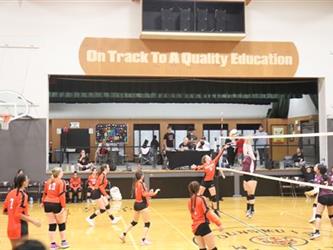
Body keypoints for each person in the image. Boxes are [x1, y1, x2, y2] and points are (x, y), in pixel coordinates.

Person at [119, 170, 160, 246]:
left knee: (134, 222)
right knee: (147, 223)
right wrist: (154, 193)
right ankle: (143, 240)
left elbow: (141, 193)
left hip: (136, 203)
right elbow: (144, 194)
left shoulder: (136, 183)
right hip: (142, 204)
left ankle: (123, 234)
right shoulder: (142, 183)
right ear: (142, 176)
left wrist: (149, 192)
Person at [3, 174, 41, 249]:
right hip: (20, 228)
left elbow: (5, 211)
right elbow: (18, 214)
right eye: (27, 179)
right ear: (23, 182)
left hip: (10, 228)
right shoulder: (23, 195)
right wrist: (34, 221)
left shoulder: (10, 193)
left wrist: (14, 213)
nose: (28, 180)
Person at [191, 145, 227, 216]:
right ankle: (195, 208)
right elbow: (197, 168)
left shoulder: (213, 162)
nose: (209, 157)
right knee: (199, 195)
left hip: (211, 182)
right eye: (208, 156)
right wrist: (194, 167)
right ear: (205, 159)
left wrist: (223, 149)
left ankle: (215, 211)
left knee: (214, 197)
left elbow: (219, 155)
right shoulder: (204, 165)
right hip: (205, 182)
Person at [187, 181, 223, 250]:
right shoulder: (202, 199)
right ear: (199, 188)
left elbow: (192, 215)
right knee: (213, 248)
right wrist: (219, 223)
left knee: (202, 249)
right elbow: (208, 213)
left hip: (195, 228)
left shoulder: (189, 201)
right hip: (203, 226)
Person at [41, 167, 69, 250]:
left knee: (52, 224)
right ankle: (63, 242)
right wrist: (63, 206)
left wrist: (43, 202)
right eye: (62, 171)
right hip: (56, 203)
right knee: (61, 223)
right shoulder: (61, 182)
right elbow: (62, 195)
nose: (63, 172)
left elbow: (45, 193)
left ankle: (52, 244)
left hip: (47, 204)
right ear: (59, 173)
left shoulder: (48, 181)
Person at [310, 164, 333, 239]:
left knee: (318, 215)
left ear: (319, 170)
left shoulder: (318, 178)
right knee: (331, 216)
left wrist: (309, 193)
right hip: (331, 196)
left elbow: (316, 190)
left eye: (316, 167)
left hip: (322, 196)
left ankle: (317, 232)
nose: (315, 167)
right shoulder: (330, 177)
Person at [242, 137, 257, 218]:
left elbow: (249, 150)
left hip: (251, 177)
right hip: (245, 177)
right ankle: (248, 209)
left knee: (251, 194)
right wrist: (245, 141)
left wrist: (249, 142)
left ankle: (252, 210)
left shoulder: (253, 158)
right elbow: (245, 148)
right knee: (248, 195)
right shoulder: (246, 156)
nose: (248, 152)